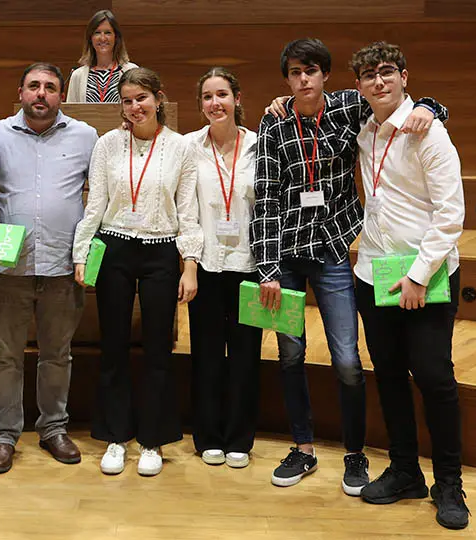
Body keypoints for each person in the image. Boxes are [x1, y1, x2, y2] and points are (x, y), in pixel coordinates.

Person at [251, 38, 447, 495]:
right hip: (285, 257)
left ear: (326, 76)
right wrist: (267, 269)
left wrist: (433, 107)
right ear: (286, 79)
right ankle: (303, 447)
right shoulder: (273, 123)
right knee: (290, 356)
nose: (304, 79)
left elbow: (399, 105)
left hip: (334, 252)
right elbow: (264, 199)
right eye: (296, 72)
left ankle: (355, 455)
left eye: (312, 71)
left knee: (346, 361)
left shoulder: (348, 108)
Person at [349, 42, 469, 529]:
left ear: (403, 76)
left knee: (434, 377)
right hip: (374, 272)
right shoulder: (363, 129)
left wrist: (418, 275)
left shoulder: (429, 131)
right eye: (368, 76)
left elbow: (450, 215)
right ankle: (405, 471)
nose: (378, 83)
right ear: (359, 85)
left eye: (386, 73)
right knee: (391, 375)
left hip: (425, 275)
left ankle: (449, 483)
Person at [73, 67, 201, 477]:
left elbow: (188, 213)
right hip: (113, 248)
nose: (134, 108)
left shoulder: (180, 148)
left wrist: (190, 265)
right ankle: (115, 437)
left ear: (158, 98)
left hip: (162, 250)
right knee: (113, 345)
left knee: (158, 349)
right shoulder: (108, 144)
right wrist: (81, 254)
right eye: (127, 101)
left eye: (141, 99)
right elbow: (95, 204)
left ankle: (152, 440)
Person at [0, 63, 98, 474]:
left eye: (50, 87)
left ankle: (53, 428)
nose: (41, 94)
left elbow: (98, 199)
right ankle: (4, 434)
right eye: (34, 86)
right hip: (6, 268)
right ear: (20, 92)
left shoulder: (86, 137)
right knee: (5, 356)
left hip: (63, 268)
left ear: (61, 95)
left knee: (57, 355)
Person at [183, 68, 262, 469]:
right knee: (208, 354)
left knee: (246, 355)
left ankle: (240, 439)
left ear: (237, 98)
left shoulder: (260, 147)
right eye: (208, 97)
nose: (215, 103)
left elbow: (268, 211)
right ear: (200, 104)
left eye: (222, 95)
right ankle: (207, 435)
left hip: (250, 266)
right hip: (208, 265)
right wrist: (190, 265)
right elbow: (187, 214)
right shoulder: (189, 147)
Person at [65, 9, 138, 103]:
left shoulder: (131, 71)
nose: (102, 38)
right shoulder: (77, 75)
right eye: (97, 33)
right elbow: (71, 114)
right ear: (90, 38)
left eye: (108, 33)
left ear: (116, 37)